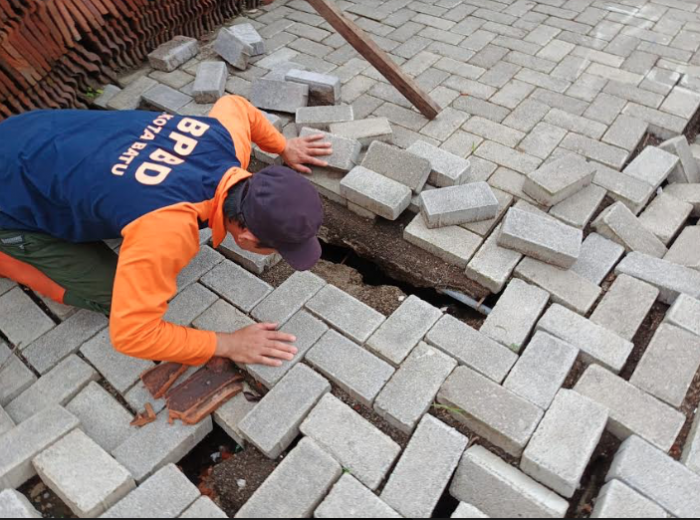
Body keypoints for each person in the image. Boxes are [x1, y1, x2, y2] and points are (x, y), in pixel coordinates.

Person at [0, 95, 332, 368]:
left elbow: (238, 105)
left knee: (124, 209)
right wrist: (228, 343)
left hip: (30, 134)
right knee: (115, 296)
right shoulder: (166, 229)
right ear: (246, 238)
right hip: (9, 195)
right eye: (277, 249)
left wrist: (283, 146)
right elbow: (132, 334)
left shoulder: (225, 140)